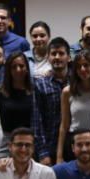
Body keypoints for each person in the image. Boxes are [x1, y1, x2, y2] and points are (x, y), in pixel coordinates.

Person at [57, 51, 90, 163]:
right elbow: (64, 126)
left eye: (86, 65)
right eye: (79, 66)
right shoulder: (67, 92)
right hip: (75, 144)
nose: (82, 69)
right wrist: (59, 156)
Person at [32, 37, 71, 166]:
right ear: (48, 58)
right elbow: (37, 121)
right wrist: (43, 153)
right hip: (49, 148)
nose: (57, 57)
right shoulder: (39, 84)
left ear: (68, 57)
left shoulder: (77, 83)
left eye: (61, 53)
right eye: (53, 54)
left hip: (74, 147)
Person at [0, 52, 34, 159]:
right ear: (8, 70)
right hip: (5, 141)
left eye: (21, 66)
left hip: (29, 141)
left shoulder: (35, 91)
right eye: (14, 67)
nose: (18, 70)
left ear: (27, 68)